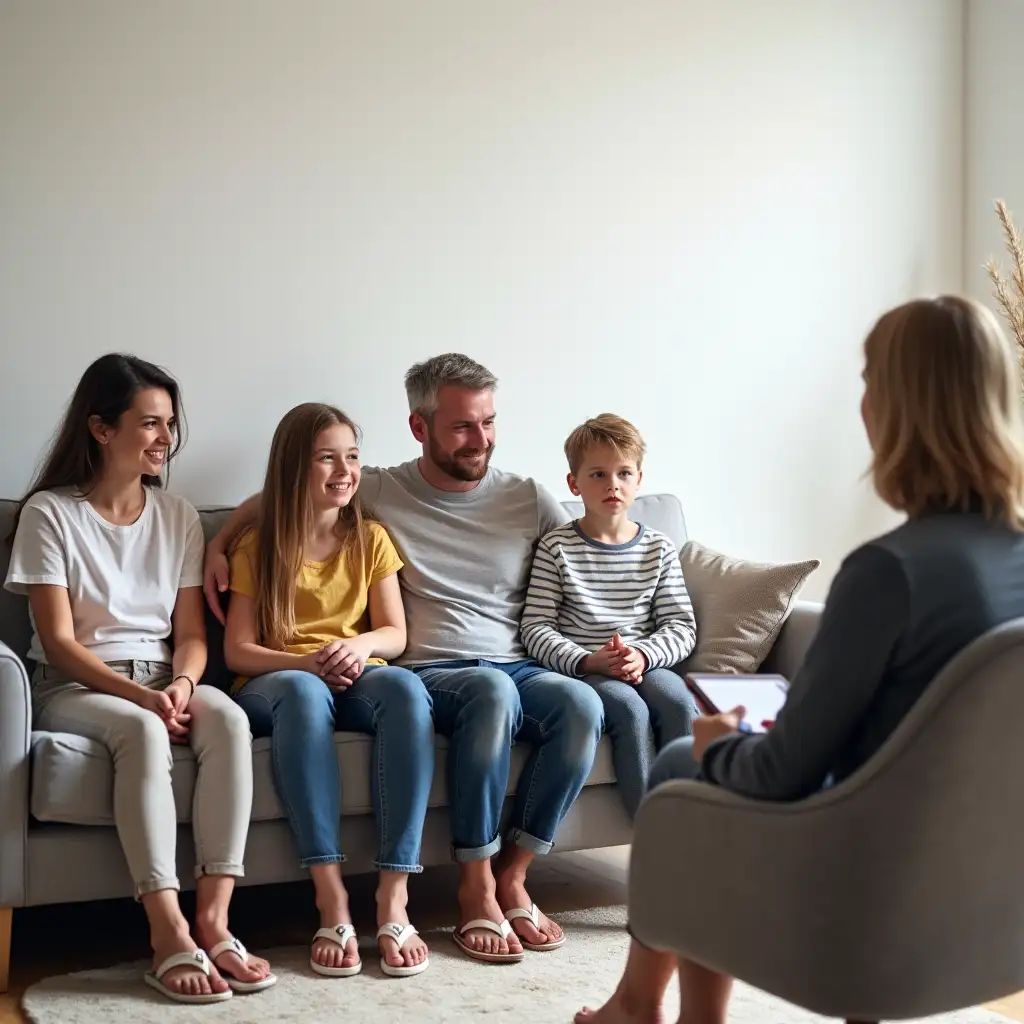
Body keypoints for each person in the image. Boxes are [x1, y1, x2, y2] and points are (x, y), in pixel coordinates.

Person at [576, 294, 1024, 1024]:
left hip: (862, 873)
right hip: (988, 888)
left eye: (870, 380)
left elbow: (783, 774)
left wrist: (723, 746)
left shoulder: (891, 573)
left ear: (897, 408)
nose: (864, 402)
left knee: (684, 764)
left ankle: (651, 1009)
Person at [205, 354, 604, 964]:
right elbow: (289, 496)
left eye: (489, 422)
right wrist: (222, 539)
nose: (482, 440)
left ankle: (508, 878)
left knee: (580, 702)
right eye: (463, 426)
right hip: (432, 671)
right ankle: (429, 889)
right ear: (420, 428)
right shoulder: (376, 493)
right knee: (461, 692)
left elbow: (587, 546)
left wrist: (625, 638)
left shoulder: (520, 497)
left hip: (506, 661)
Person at [4, 354, 274, 1005]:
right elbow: (61, 645)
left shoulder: (176, 514)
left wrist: (180, 686)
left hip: (163, 676)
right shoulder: (50, 514)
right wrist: (142, 699)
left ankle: (214, 917)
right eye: (149, 423)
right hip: (78, 689)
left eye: (169, 425)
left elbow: (189, 635)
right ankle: (166, 931)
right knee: (143, 734)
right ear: (101, 428)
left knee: (229, 719)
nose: (165, 439)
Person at [223, 402, 433, 978]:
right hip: (278, 685)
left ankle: (394, 896)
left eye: (352, 456)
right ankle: (331, 897)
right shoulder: (257, 545)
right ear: (296, 467)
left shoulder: (370, 538)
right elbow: (237, 650)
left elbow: (394, 632)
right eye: (326, 458)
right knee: (304, 692)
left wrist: (359, 647)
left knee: (409, 693)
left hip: (351, 671)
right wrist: (308, 663)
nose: (344, 470)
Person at [521, 413, 698, 819]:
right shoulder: (556, 548)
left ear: (639, 479)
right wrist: (587, 660)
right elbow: (536, 627)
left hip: (644, 662)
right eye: (598, 474)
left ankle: (689, 822)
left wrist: (643, 655)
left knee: (677, 702)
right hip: (587, 667)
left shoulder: (659, 548)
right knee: (629, 711)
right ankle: (652, 831)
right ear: (574, 483)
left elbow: (681, 626)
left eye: (623, 473)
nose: (612, 484)